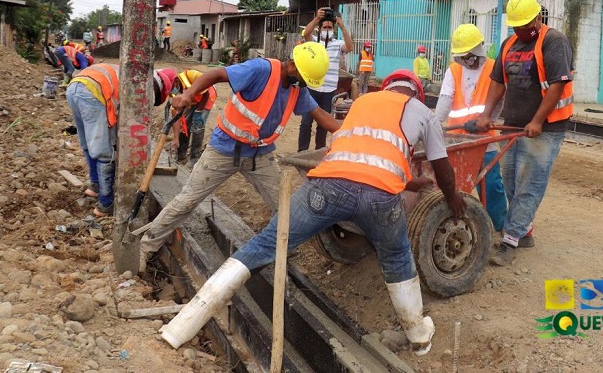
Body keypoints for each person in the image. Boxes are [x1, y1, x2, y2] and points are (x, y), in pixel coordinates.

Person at [159, 69, 466, 356]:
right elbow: (442, 167)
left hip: (326, 184)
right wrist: (451, 199)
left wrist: (409, 181)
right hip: (380, 195)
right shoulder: (423, 113)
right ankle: (418, 336)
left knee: (267, 243)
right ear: (416, 93)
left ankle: (182, 325)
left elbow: (361, 153)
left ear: (386, 88)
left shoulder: (363, 103)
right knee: (397, 255)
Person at [138, 42, 340, 272]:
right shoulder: (260, 70)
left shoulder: (297, 88)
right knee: (187, 201)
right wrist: (189, 93)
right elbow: (216, 74)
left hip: (260, 156)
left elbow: (321, 116)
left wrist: (352, 130)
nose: (304, 84)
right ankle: (146, 247)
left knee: (285, 208)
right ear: (292, 65)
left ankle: (283, 248)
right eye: (303, 78)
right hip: (224, 150)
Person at [475, 0, 574, 266]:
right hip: (513, 124)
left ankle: (510, 239)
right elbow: (498, 82)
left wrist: (538, 120)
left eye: (525, 26)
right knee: (511, 182)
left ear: (537, 18)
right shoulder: (509, 44)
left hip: (546, 127)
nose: (521, 31)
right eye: (516, 26)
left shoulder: (554, 42)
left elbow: (557, 84)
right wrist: (486, 114)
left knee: (530, 184)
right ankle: (524, 232)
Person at [67, 64, 175, 217]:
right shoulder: (145, 87)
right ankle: (106, 204)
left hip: (74, 88)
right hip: (93, 94)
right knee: (104, 150)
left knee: (88, 141)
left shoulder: (134, 72)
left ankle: (95, 186)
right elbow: (134, 125)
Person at [435, 23, 507, 233]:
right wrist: (435, 125)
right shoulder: (454, 70)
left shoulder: (494, 68)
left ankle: (498, 227)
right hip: (457, 138)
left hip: (485, 138)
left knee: (491, 185)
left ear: (479, 50)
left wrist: (488, 120)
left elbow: (500, 100)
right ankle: (453, 224)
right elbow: (445, 99)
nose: (467, 61)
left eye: (470, 56)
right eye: (462, 57)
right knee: (453, 184)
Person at [299, 7, 354, 151]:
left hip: (329, 90)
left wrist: (342, 26)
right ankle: (302, 151)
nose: (327, 29)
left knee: (323, 124)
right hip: (311, 88)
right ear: (320, 28)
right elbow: (306, 33)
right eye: (325, 27)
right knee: (306, 122)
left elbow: (349, 47)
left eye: (330, 27)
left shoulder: (337, 44)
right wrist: (317, 18)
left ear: (333, 29)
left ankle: (319, 151)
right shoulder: (314, 44)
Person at [168, 69, 217, 169]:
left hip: (206, 98)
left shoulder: (192, 75)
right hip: (192, 100)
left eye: (173, 88)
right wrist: (176, 138)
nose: (173, 91)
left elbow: (206, 95)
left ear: (176, 81)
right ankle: (181, 154)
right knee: (185, 125)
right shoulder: (173, 91)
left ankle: (194, 158)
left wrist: (199, 113)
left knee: (197, 127)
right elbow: (175, 116)